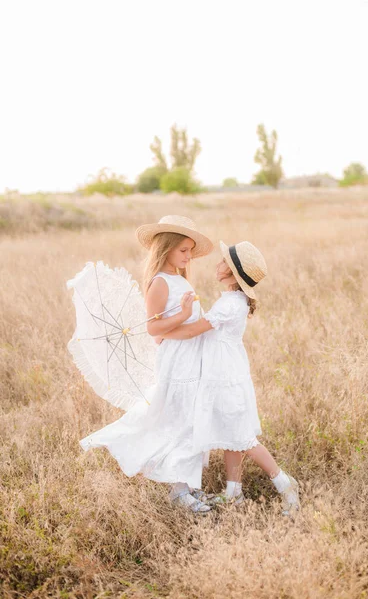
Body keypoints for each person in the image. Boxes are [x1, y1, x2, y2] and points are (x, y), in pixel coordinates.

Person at [80, 215, 214, 513]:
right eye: (183, 250)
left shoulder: (180, 279)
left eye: (190, 250)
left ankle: (190, 485)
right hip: (177, 361)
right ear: (166, 248)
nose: (188, 256)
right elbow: (153, 330)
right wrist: (183, 314)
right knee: (181, 419)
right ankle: (180, 492)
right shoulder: (160, 283)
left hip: (193, 358)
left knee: (194, 419)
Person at [158, 240, 300, 517]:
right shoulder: (230, 300)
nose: (218, 264)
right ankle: (233, 492)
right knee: (230, 434)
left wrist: (161, 333)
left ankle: (285, 484)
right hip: (223, 372)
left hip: (225, 376)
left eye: (224, 262)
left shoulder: (231, 304)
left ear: (233, 274)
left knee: (243, 438)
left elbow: (193, 331)